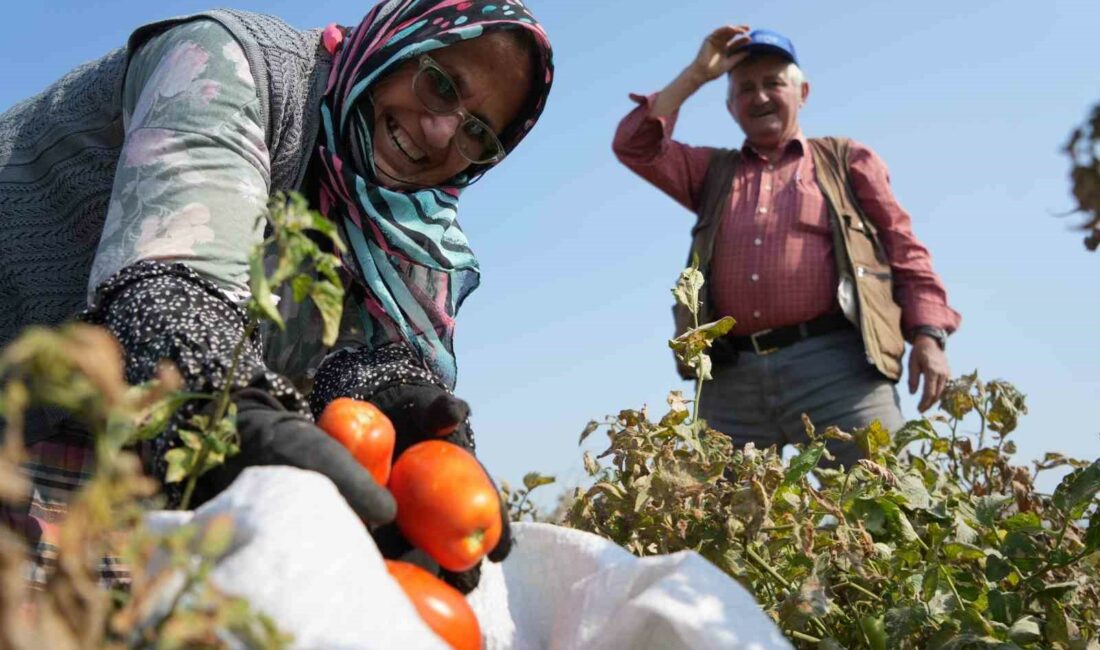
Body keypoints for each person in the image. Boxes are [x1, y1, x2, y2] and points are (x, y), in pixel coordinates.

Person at [0, 0, 554, 594]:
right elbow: (169, 285)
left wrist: (391, 402)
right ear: (396, 45)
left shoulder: (399, 233)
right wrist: (219, 398)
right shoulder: (232, 63)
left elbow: (347, 363)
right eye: (441, 85)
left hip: (105, 433)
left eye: (478, 131)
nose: (442, 131)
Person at [612, 26, 959, 468]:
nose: (759, 97)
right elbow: (634, 145)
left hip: (839, 369)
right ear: (730, 105)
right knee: (719, 521)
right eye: (745, 88)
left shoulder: (845, 160)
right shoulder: (711, 172)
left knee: (887, 502)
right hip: (730, 376)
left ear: (802, 91)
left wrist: (928, 335)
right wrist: (697, 75)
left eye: (773, 83)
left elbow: (904, 248)